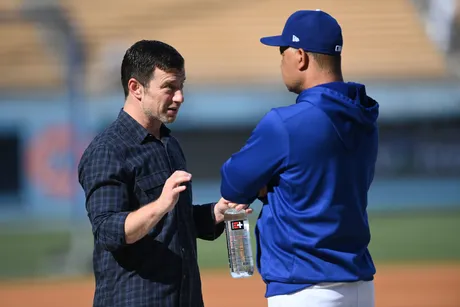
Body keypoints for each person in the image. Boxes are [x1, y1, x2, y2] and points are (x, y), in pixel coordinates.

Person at [220, 10, 379, 307]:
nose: (280, 61)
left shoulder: (284, 123)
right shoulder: (365, 116)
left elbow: (232, 184)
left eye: (283, 51)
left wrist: (266, 183)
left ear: (301, 57)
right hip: (360, 286)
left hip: (305, 289)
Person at [78, 40, 250, 307]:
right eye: (169, 87)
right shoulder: (108, 150)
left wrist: (215, 213)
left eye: (181, 86)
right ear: (136, 88)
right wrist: (159, 205)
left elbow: (174, 221)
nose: (179, 96)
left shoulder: (169, 144)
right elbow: (108, 231)